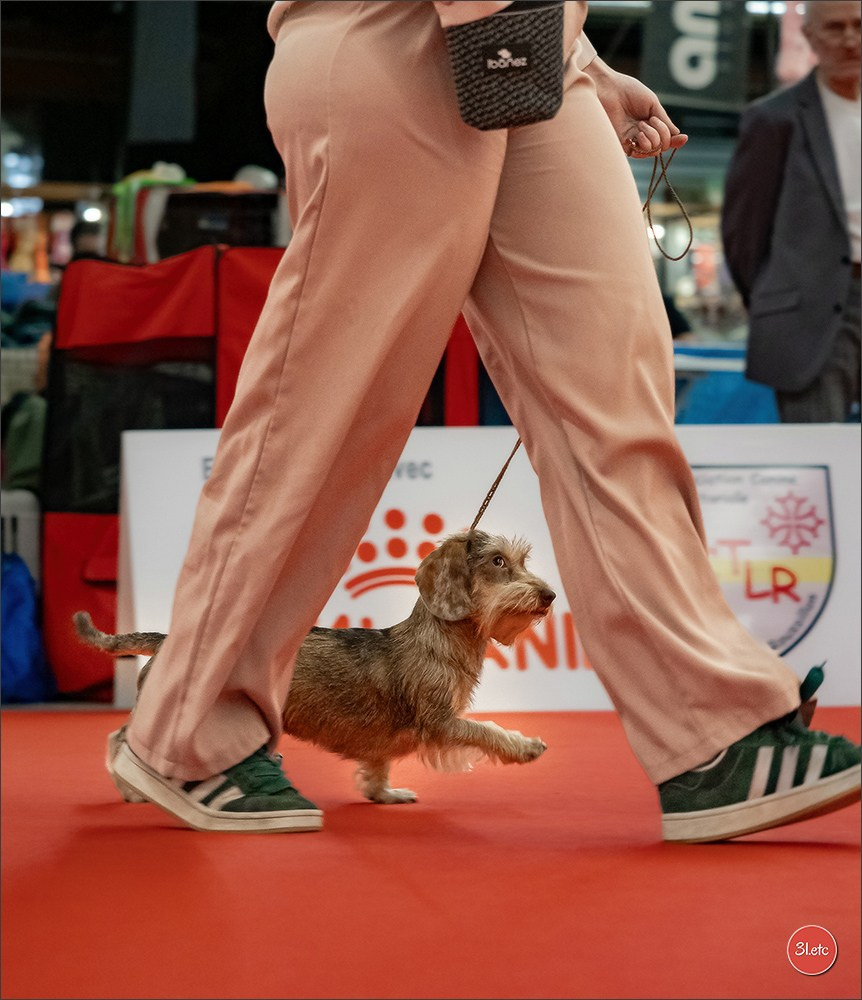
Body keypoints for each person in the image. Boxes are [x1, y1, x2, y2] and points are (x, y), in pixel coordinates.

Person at [112, 1, 860, 839]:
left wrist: (578, 53)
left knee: (617, 401)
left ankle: (713, 735)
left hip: (542, 49)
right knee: (324, 409)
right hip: (393, 35)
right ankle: (189, 723)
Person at [722, 0, 861, 423]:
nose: (850, 39)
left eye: (859, 25)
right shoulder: (772, 119)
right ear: (810, 35)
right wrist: (774, 295)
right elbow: (745, 233)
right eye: (835, 28)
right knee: (815, 450)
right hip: (810, 312)